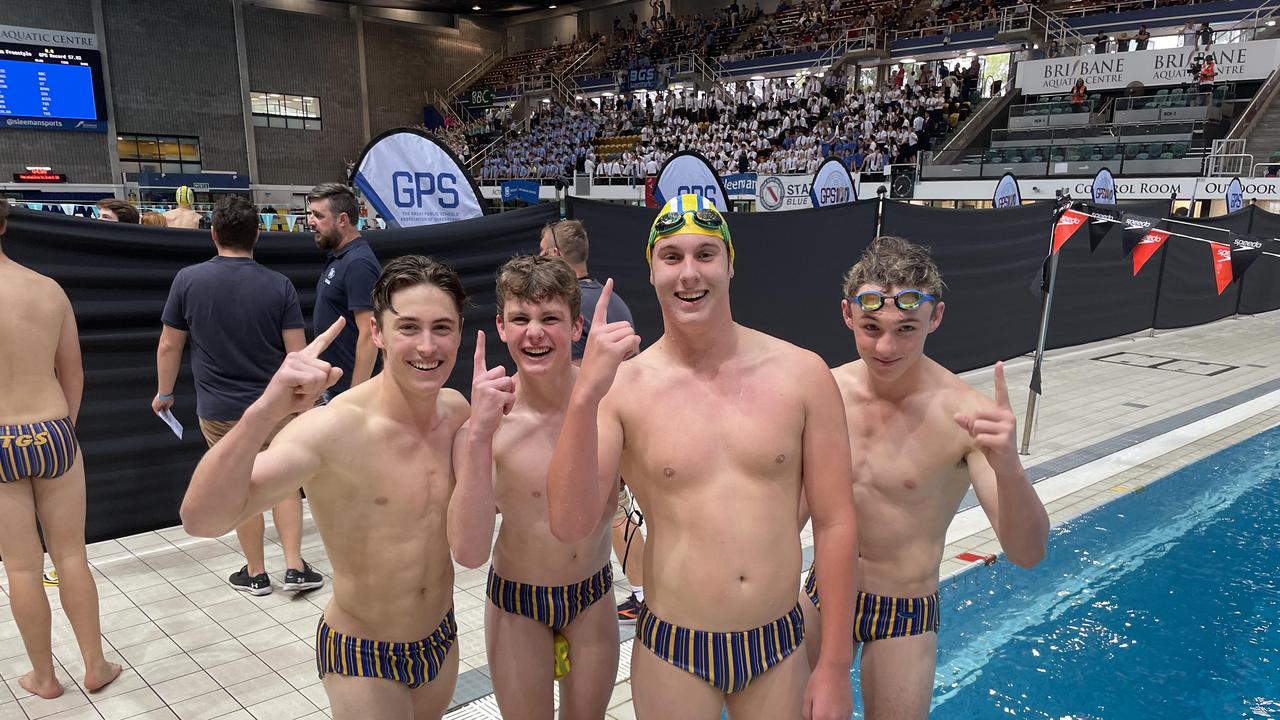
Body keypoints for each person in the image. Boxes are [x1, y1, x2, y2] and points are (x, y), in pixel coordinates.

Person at [547, 194, 859, 719]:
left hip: (779, 642)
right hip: (674, 649)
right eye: (671, 257)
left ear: (730, 263)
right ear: (651, 271)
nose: (689, 273)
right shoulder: (623, 389)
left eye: (705, 254)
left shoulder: (803, 374)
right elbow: (570, 523)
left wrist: (832, 666)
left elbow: (835, 522)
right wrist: (583, 397)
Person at [181, 255, 470, 720]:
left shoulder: (456, 411)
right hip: (363, 654)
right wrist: (262, 414)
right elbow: (201, 519)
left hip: (441, 637)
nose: (427, 345)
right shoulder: (330, 430)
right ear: (376, 332)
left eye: (442, 328)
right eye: (408, 327)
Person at [803, 236, 1049, 719]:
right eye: (871, 327)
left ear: (934, 319)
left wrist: (1010, 469)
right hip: (821, 593)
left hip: (904, 610)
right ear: (848, 315)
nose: (886, 346)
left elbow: (1028, 552)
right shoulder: (823, 392)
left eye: (906, 328)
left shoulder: (966, 416)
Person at [449, 255, 619, 718]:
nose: (535, 332)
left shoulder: (611, 407)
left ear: (577, 325)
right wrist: (480, 437)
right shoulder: (488, 421)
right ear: (501, 327)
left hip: (592, 593)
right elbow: (467, 550)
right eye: (521, 318)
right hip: (517, 600)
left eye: (550, 318)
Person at [153, 195, 323, 596]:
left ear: (213, 234)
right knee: (284, 483)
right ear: (258, 234)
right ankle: (295, 567)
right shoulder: (277, 285)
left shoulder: (187, 281)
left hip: (220, 409)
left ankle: (256, 572)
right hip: (277, 407)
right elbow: (297, 353)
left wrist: (164, 392)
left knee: (239, 482)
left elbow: (168, 345)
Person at [0, 197, 122, 699]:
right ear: (5, 224)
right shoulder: (47, 289)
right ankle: (95, 665)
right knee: (71, 556)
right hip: (52, 430)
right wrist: (63, 431)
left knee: (22, 567)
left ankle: (45, 678)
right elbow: (73, 372)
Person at [537, 219, 647, 623]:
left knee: (615, 511)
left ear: (553, 255)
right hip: (614, 423)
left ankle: (641, 593)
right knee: (619, 510)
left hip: (595, 426)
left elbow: (590, 370)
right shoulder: (610, 299)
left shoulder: (573, 304)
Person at [307, 182, 381, 399]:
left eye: (318, 216)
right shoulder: (342, 258)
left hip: (346, 392)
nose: (311, 222)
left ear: (342, 220)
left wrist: (354, 397)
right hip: (333, 387)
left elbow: (369, 333)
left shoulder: (358, 264)